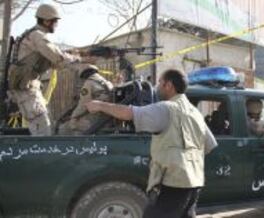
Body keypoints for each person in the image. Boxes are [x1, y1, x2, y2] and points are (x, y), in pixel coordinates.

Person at [85, 69, 217, 218]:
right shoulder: (195, 112)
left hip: (173, 182)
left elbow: (130, 113)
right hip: (195, 181)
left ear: (169, 85)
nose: (157, 87)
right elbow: (209, 145)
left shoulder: (166, 108)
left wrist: (100, 105)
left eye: (160, 82)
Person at [7, 4, 92, 136]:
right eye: (55, 21)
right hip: (26, 90)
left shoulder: (33, 35)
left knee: (47, 126)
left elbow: (53, 62)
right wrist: (79, 58)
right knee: (42, 130)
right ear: (47, 21)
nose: (56, 24)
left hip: (29, 89)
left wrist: (73, 55)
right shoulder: (38, 36)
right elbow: (58, 58)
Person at [59, 64, 113, 135]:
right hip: (107, 119)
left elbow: (83, 105)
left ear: (84, 74)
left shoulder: (88, 84)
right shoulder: (107, 83)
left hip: (95, 120)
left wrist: (73, 118)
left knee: (64, 128)